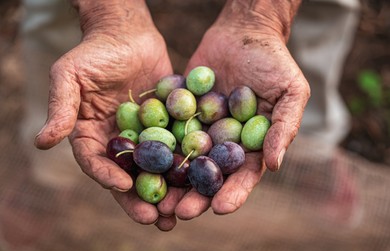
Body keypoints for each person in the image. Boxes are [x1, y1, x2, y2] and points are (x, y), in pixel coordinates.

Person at [22, 0, 359, 233]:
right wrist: (109, 19)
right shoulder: (161, 129)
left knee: (309, 32)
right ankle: (51, 172)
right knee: (67, 45)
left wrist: (260, 20)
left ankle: (314, 146)